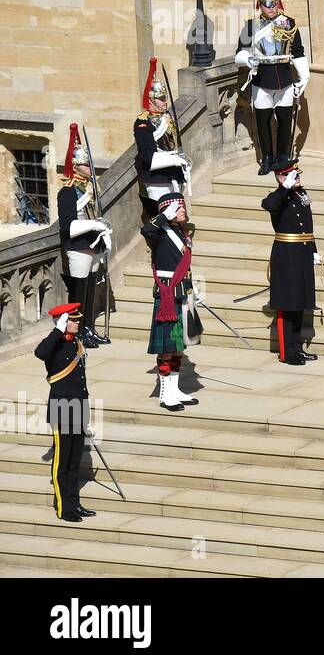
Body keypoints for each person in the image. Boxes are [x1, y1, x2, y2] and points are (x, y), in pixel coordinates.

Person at [235, 0, 309, 174]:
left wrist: (304, 77)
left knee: (285, 119)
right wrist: (248, 60)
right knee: (263, 120)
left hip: (284, 78)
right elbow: (239, 52)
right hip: (261, 79)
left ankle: (283, 156)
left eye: (274, 4)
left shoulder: (289, 23)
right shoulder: (250, 26)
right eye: (268, 4)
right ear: (261, 5)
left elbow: (297, 51)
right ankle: (267, 157)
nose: (272, 8)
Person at [140, 192, 200, 411]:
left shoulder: (181, 231)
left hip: (182, 291)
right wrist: (162, 216)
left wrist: (193, 289)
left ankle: (175, 390)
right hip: (168, 294)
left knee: (177, 346)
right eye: (180, 208)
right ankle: (165, 395)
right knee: (166, 347)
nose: (184, 210)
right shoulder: (160, 232)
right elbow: (146, 230)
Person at [37, 302, 95, 523]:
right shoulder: (54, 345)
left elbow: (81, 382)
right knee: (62, 463)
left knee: (73, 460)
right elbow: (40, 353)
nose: (77, 322)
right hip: (61, 410)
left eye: (77, 319)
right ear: (62, 322)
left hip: (79, 408)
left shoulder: (77, 342)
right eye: (72, 320)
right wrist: (57, 330)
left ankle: (75, 504)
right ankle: (64, 508)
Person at [57, 125, 112, 348]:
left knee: (91, 290)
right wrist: (94, 224)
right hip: (78, 246)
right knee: (78, 293)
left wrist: (102, 231)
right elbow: (68, 226)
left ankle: (88, 328)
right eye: (85, 164)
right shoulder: (68, 191)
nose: (90, 168)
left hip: (93, 246)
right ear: (76, 167)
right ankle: (76, 332)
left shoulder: (91, 187)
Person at [261, 157, 319, 366]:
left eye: (298, 174)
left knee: (299, 304)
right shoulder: (279, 196)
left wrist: (313, 250)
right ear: (281, 177)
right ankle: (287, 352)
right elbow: (268, 205)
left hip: (301, 254)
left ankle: (297, 348)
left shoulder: (300, 193)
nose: (298, 177)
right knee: (287, 305)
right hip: (286, 256)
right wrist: (284, 187)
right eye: (294, 175)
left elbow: (307, 225)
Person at [133, 57, 190, 216]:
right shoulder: (143, 122)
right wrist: (174, 159)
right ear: (151, 99)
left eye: (165, 98)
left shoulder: (167, 117)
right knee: (164, 218)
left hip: (173, 174)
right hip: (156, 179)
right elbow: (147, 155)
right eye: (161, 98)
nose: (165, 102)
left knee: (177, 217)